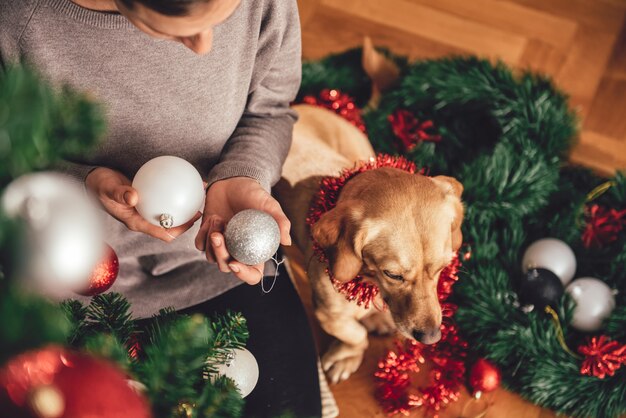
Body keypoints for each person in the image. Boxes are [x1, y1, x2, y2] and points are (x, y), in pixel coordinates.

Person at [0, 0, 323, 416]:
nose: (205, 46)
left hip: (212, 268)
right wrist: (85, 184)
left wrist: (242, 174)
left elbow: (271, 110)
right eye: (183, 27)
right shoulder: (18, 23)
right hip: (63, 278)